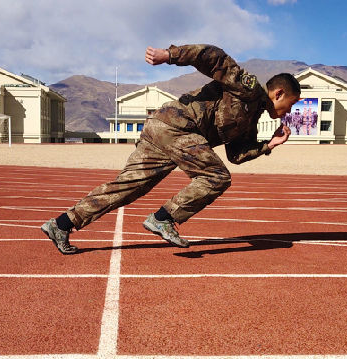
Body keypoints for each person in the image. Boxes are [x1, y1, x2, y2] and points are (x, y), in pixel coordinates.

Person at [41, 44, 300, 254]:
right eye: (291, 103)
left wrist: (269, 145)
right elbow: (215, 58)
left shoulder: (252, 121)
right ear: (278, 93)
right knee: (216, 177)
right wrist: (170, 55)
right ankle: (164, 217)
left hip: (167, 130)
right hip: (177, 125)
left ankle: (61, 224)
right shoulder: (248, 88)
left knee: (129, 187)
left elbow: (236, 155)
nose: (289, 111)